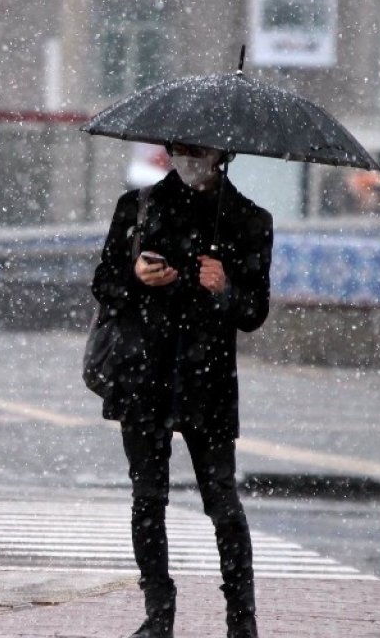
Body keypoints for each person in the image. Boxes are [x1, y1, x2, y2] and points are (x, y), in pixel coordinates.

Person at [90, 143, 273, 638]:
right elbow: (103, 283)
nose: (192, 159)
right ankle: (159, 615)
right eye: (183, 149)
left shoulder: (249, 219)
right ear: (170, 151)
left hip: (208, 381)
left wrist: (225, 288)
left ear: (224, 155)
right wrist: (136, 276)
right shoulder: (138, 207)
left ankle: (242, 620)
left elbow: (255, 312)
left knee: (223, 503)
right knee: (148, 499)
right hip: (143, 375)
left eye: (203, 151)